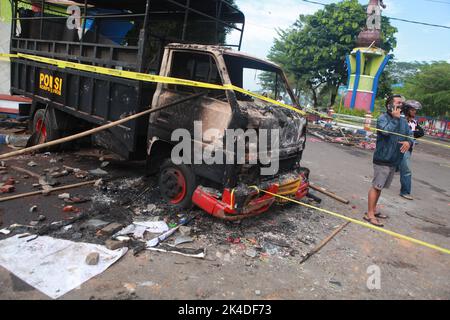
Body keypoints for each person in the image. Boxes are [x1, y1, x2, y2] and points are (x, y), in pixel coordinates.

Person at [365, 94, 414, 227]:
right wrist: (395, 119)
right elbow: (385, 132)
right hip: (382, 159)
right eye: (398, 102)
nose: (401, 105)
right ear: (389, 105)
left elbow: (410, 135)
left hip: (394, 160)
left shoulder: (403, 121)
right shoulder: (382, 118)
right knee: (376, 186)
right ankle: (369, 214)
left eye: (402, 103)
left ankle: (374, 210)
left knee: (380, 188)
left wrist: (408, 142)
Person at [399, 100, 424, 200]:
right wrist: (411, 133)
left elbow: (421, 132)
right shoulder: (400, 119)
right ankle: (404, 191)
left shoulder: (414, 122)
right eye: (412, 110)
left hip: (408, 148)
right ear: (406, 110)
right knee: (402, 170)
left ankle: (404, 191)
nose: (414, 112)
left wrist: (412, 134)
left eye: (415, 110)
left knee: (404, 170)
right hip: (399, 146)